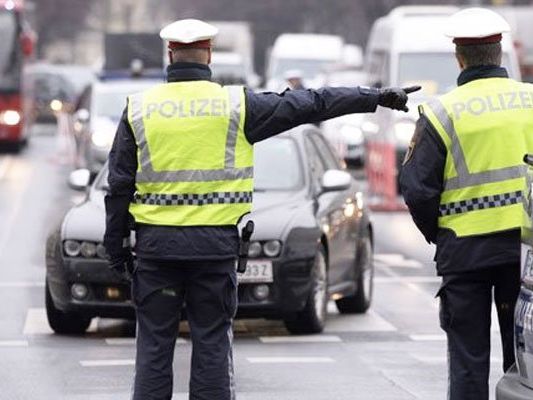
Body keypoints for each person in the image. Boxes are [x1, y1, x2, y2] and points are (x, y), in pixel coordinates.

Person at [103, 18, 419, 400]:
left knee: (153, 349)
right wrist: (375, 96)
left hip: (156, 253)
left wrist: (116, 245)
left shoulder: (139, 109)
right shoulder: (236, 106)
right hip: (215, 253)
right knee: (212, 346)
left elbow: (119, 185)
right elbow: (311, 103)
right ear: (208, 54)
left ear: (170, 54)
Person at [399, 8, 533, 400]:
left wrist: (440, 233)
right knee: (524, 366)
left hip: (466, 253)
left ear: (458, 57)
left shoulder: (442, 111)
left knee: (468, 362)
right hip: (525, 255)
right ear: (500, 52)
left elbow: (417, 188)